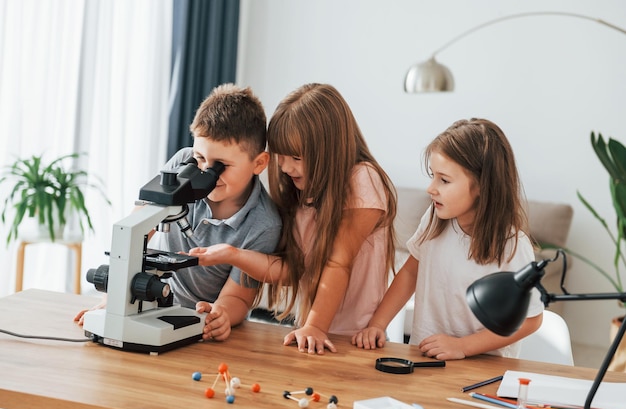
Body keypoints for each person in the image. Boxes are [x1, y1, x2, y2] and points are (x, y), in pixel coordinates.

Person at [187, 83, 397, 354]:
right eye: (281, 156)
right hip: (311, 337)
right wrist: (232, 254)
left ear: (328, 152)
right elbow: (289, 270)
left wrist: (317, 327)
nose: (285, 167)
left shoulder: (363, 180)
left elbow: (338, 262)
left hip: (354, 339)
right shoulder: (303, 195)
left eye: (296, 157)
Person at [74, 83, 282, 341]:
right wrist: (114, 300)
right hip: (148, 300)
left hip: (199, 320)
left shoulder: (263, 224)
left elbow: (238, 295)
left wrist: (222, 315)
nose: (206, 172)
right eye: (200, 159)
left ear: (259, 163)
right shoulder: (184, 163)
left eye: (221, 166)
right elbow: (138, 226)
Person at [351, 118, 543, 360]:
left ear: (482, 185)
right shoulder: (434, 218)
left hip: (484, 369)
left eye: (444, 180)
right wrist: (377, 324)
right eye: (433, 176)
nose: (431, 188)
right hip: (425, 357)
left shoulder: (512, 245)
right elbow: (410, 273)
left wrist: (463, 346)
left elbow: (531, 319)